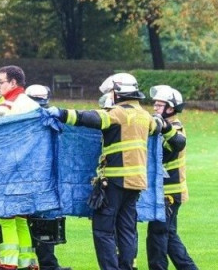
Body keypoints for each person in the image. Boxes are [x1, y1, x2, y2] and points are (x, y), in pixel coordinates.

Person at [46, 73, 170, 270]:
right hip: (136, 183)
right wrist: (161, 120)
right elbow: (160, 125)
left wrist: (60, 113)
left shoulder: (119, 113)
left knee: (103, 230)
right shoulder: (145, 116)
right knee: (127, 229)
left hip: (114, 182)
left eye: (112, 92)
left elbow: (89, 118)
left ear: (119, 92)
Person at [0, 66, 40, 270]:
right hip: (29, 173)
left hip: (7, 171)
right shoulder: (33, 104)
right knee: (21, 219)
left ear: (13, 83)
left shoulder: (6, 107)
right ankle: (28, 264)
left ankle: (8, 265)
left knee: (6, 219)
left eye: (0, 82)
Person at [146, 86, 198, 270]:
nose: (154, 108)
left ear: (170, 108)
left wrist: (163, 126)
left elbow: (175, 145)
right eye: (155, 104)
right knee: (168, 236)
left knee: (157, 235)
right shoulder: (159, 128)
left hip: (169, 192)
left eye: (159, 105)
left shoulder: (175, 128)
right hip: (163, 191)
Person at [24, 85, 71, 270]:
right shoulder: (44, 118)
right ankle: (44, 265)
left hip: (43, 180)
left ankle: (47, 264)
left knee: (43, 222)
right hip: (36, 180)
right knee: (39, 223)